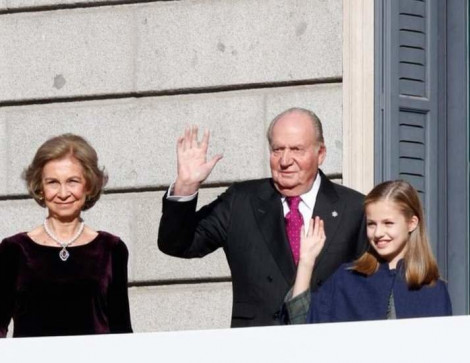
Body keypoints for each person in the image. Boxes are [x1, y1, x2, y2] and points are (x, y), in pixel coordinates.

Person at [157, 108, 367, 327]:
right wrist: (186, 185)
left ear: (320, 153)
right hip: (256, 347)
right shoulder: (241, 201)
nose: (285, 160)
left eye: (296, 149)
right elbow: (177, 244)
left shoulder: (353, 209)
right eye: (277, 150)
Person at [0, 134, 132, 337]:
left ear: (88, 186)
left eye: (72, 181)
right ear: (40, 188)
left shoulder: (111, 248)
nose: (63, 193)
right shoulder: (14, 250)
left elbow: (122, 330)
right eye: (53, 182)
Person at [284, 180, 451, 323]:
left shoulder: (434, 290)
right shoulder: (345, 279)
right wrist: (306, 262)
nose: (378, 233)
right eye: (372, 224)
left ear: (412, 223)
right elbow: (303, 325)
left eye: (388, 223)